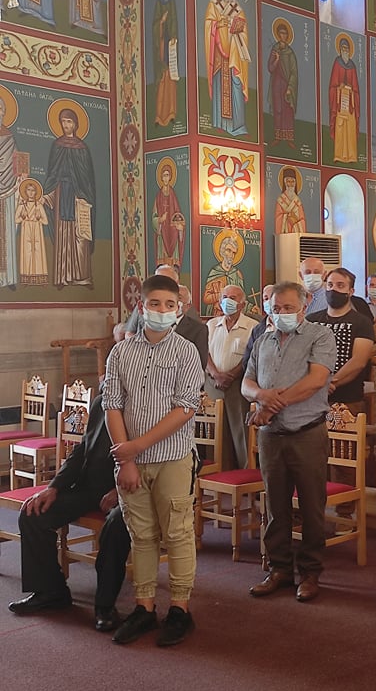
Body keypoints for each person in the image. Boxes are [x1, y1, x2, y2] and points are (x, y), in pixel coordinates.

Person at [103, 274, 204, 646]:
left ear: (179, 309)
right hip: (132, 462)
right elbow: (112, 405)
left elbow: (185, 408)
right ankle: (144, 607)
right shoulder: (121, 352)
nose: (162, 310)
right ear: (141, 306)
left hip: (172, 457)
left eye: (170, 305)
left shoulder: (186, 351)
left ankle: (180, 609)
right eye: (155, 304)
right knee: (141, 536)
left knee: (177, 534)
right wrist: (126, 459)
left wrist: (136, 446)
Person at [243, 281, 337, 603]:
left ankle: (310, 572)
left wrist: (269, 407)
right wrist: (260, 395)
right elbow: (246, 382)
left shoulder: (320, 336)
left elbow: (315, 380)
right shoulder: (263, 340)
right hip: (271, 437)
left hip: (306, 432)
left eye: (288, 308)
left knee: (311, 506)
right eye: (276, 308)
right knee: (275, 505)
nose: (281, 313)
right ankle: (280, 569)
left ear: (304, 306)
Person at [8, 394, 131, 633]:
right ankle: (51, 591)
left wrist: (119, 490)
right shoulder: (101, 401)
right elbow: (82, 450)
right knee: (34, 513)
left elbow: (153, 457)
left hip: (126, 488)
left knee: (115, 525)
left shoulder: (146, 404)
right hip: (88, 487)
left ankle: (105, 606)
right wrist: (54, 487)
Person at [307, 268, 376, 530]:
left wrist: (329, 382)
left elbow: (358, 361)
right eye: (329, 284)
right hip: (310, 398)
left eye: (340, 285)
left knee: (344, 459)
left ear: (351, 291)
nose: (333, 289)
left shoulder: (361, 322)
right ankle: (311, 510)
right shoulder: (311, 320)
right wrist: (314, 383)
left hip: (346, 398)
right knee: (311, 456)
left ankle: (345, 514)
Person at [42, 107, 96, 288]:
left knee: (80, 236)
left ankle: (82, 277)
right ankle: (62, 277)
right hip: (61, 195)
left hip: (79, 198)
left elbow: (87, 178)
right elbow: (52, 173)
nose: (66, 125)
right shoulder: (57, 146)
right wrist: (47, 194)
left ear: (75, 124)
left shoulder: (83, 149)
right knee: (63, 234)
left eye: (69, 121)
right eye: (63, 122)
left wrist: (85, 196)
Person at [205, 284, 257, 469]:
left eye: (233, 298)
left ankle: (244, 470)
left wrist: (231, 375)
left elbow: (250, 356)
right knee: (216, 430)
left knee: (240, 428)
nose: (228, 301)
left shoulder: (252, 326)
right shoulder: (212, 325)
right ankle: (218, 469)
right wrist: (215, 374)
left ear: (242, 304)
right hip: (213, 384)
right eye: (225, 297)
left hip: (238, 384)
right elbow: (205, 352)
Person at [204, 0, 250, 136]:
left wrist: (236, 27)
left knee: (236, 85)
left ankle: (238, 125)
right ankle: (221, 124)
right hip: (219, 54)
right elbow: (208, 25)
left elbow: (243, 28)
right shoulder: (213, 3)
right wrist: (217, 25)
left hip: (234, 54)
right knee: (220, 86)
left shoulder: (236, 7)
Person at [328, 34, 361, 163]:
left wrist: (352, 89)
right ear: (340, 49)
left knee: (350, 129)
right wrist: (338, 87)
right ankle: (338, 155)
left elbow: (356, 88)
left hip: (350, 103)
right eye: (343, 48)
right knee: (340, 128)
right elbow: (332, 85)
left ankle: (352, 156)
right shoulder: (337, 63)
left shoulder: (352, 66)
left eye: (347, 48)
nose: (345, 50)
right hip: (340, 102)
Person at [152, 0, 179, 127]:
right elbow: (155, 24)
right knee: (162, 77)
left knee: (171, 78)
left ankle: (171, 112)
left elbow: (174, 18)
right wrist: (161, 22)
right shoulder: (158, 1)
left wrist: (174, 36)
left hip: (170, 43)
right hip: (161, 44)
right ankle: (159, 116)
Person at [0, 96, 22, 288]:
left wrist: (23, 176)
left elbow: (20, 162)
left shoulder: (10, 136)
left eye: (0, 110)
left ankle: (8, 278)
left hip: (8, 191)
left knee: (7, 234)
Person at [267, 20, 298, 146]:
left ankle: (289, 138)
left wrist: (290, 87)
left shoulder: (290, 53)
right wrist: (276, 59)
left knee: (287, 111)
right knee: (278, 109)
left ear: (287, 35)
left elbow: (294, 72)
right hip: (276, 84)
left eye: (285, 33)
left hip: (286, 84)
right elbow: (270, 68)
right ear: (278, 34)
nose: (283, 35)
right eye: (281, 33)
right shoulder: (275, 50)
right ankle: (278, 136)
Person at [14, 178, 49, 286]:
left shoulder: (39, 206)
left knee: (38, 252)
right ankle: (27, 279)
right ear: (25, 191)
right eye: (28, 190)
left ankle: (40, 278)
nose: (30, 192)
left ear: (36, 192)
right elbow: (16, 220)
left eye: (33, 190)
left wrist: (38, 218)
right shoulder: (22, 205)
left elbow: (46, 221)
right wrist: (23, 217)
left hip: (37, 230)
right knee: (27, 252)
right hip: (26, 231)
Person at [152, 161, 186, 270]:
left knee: (172, 264)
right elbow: (154, 217)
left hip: (172, 232)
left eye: (167, 175)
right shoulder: (158, 196)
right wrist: (159, 219)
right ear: (161, 178)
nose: (166, 178)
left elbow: (178, 215)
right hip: (162, 232)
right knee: (162, 262)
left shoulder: (173, 195)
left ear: (170, 177)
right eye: (164, 175)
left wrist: (180, 227)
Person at [202, 232, 245, 315]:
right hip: (217, 314)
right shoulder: (215, 272)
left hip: (235, 314)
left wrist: (251, 308)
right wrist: (222, 295)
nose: (231, 255)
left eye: (234, 253)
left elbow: (242, 298)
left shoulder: (237, 274)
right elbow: (206, 298)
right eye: (229, 250)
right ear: (222, 251)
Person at [241, 284, 275, 372]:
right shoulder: (257, 329)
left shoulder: (288, 326)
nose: (269, 302)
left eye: (272, 297)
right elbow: (247, 360)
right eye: (266, 299)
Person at [274, 167, 306, 234]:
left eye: (293, 181)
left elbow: (302, 220)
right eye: (288, 181)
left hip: (295, 234)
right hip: (285, 235)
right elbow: (278, 219)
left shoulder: (298, 201)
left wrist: (295, 220)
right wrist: (287, 217)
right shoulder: (280, 200)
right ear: (285, 183)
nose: (291, 184)